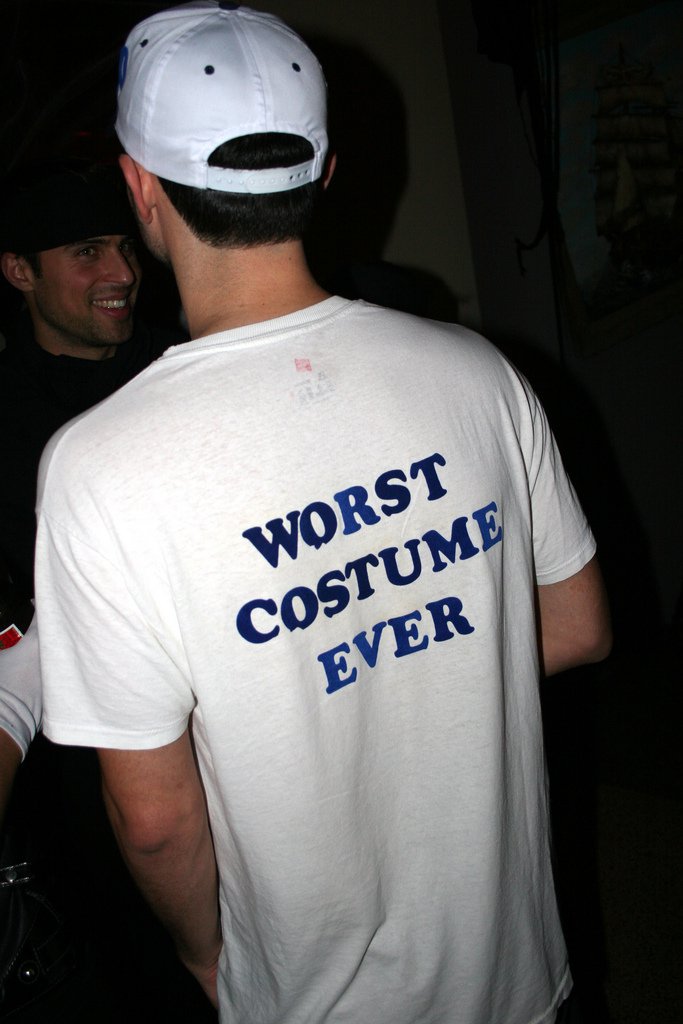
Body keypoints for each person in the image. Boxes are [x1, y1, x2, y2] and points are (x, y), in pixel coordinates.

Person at [34, 4, 612, 1023]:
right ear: (325, 172)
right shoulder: (475, 369)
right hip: (516, 969)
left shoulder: (99, 466)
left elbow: (156, 819)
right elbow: (575, 627)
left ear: (140, 188)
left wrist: (206, 957)